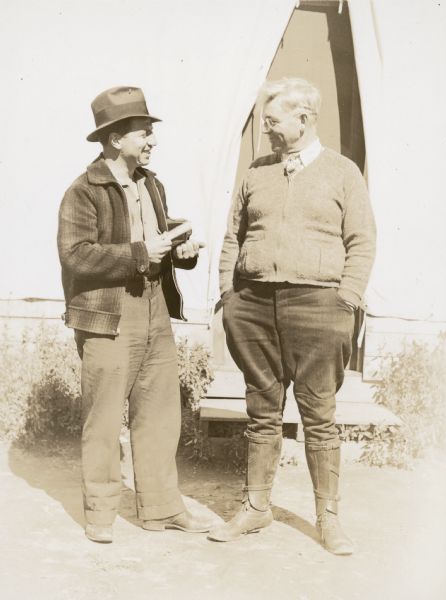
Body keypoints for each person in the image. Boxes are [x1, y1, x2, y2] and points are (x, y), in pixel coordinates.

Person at [208, 78, 376, 555]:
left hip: (320, 306)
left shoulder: (343, 173)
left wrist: (346, 300)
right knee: (262, 412)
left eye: (273, 119)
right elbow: (232, 239)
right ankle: (256, 508)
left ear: (304, 120)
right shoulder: (256, 173)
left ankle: (329, 519)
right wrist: (229, 293)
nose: (265, 128)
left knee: (319, 415)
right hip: (254, 305)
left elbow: (362, 241)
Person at [58, 86, 211, 543]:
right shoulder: (83, 191)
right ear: (114, 139)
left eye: (150, 133)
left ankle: (162, 509)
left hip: (154, 308)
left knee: (160, 413)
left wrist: (180, 249)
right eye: (143, 133)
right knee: (104, 419)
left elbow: (155, 242)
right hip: (108, 314)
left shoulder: (151, 183)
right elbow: (76, 255)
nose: (151, 141)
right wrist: (143, 251)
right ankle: (101, 514)